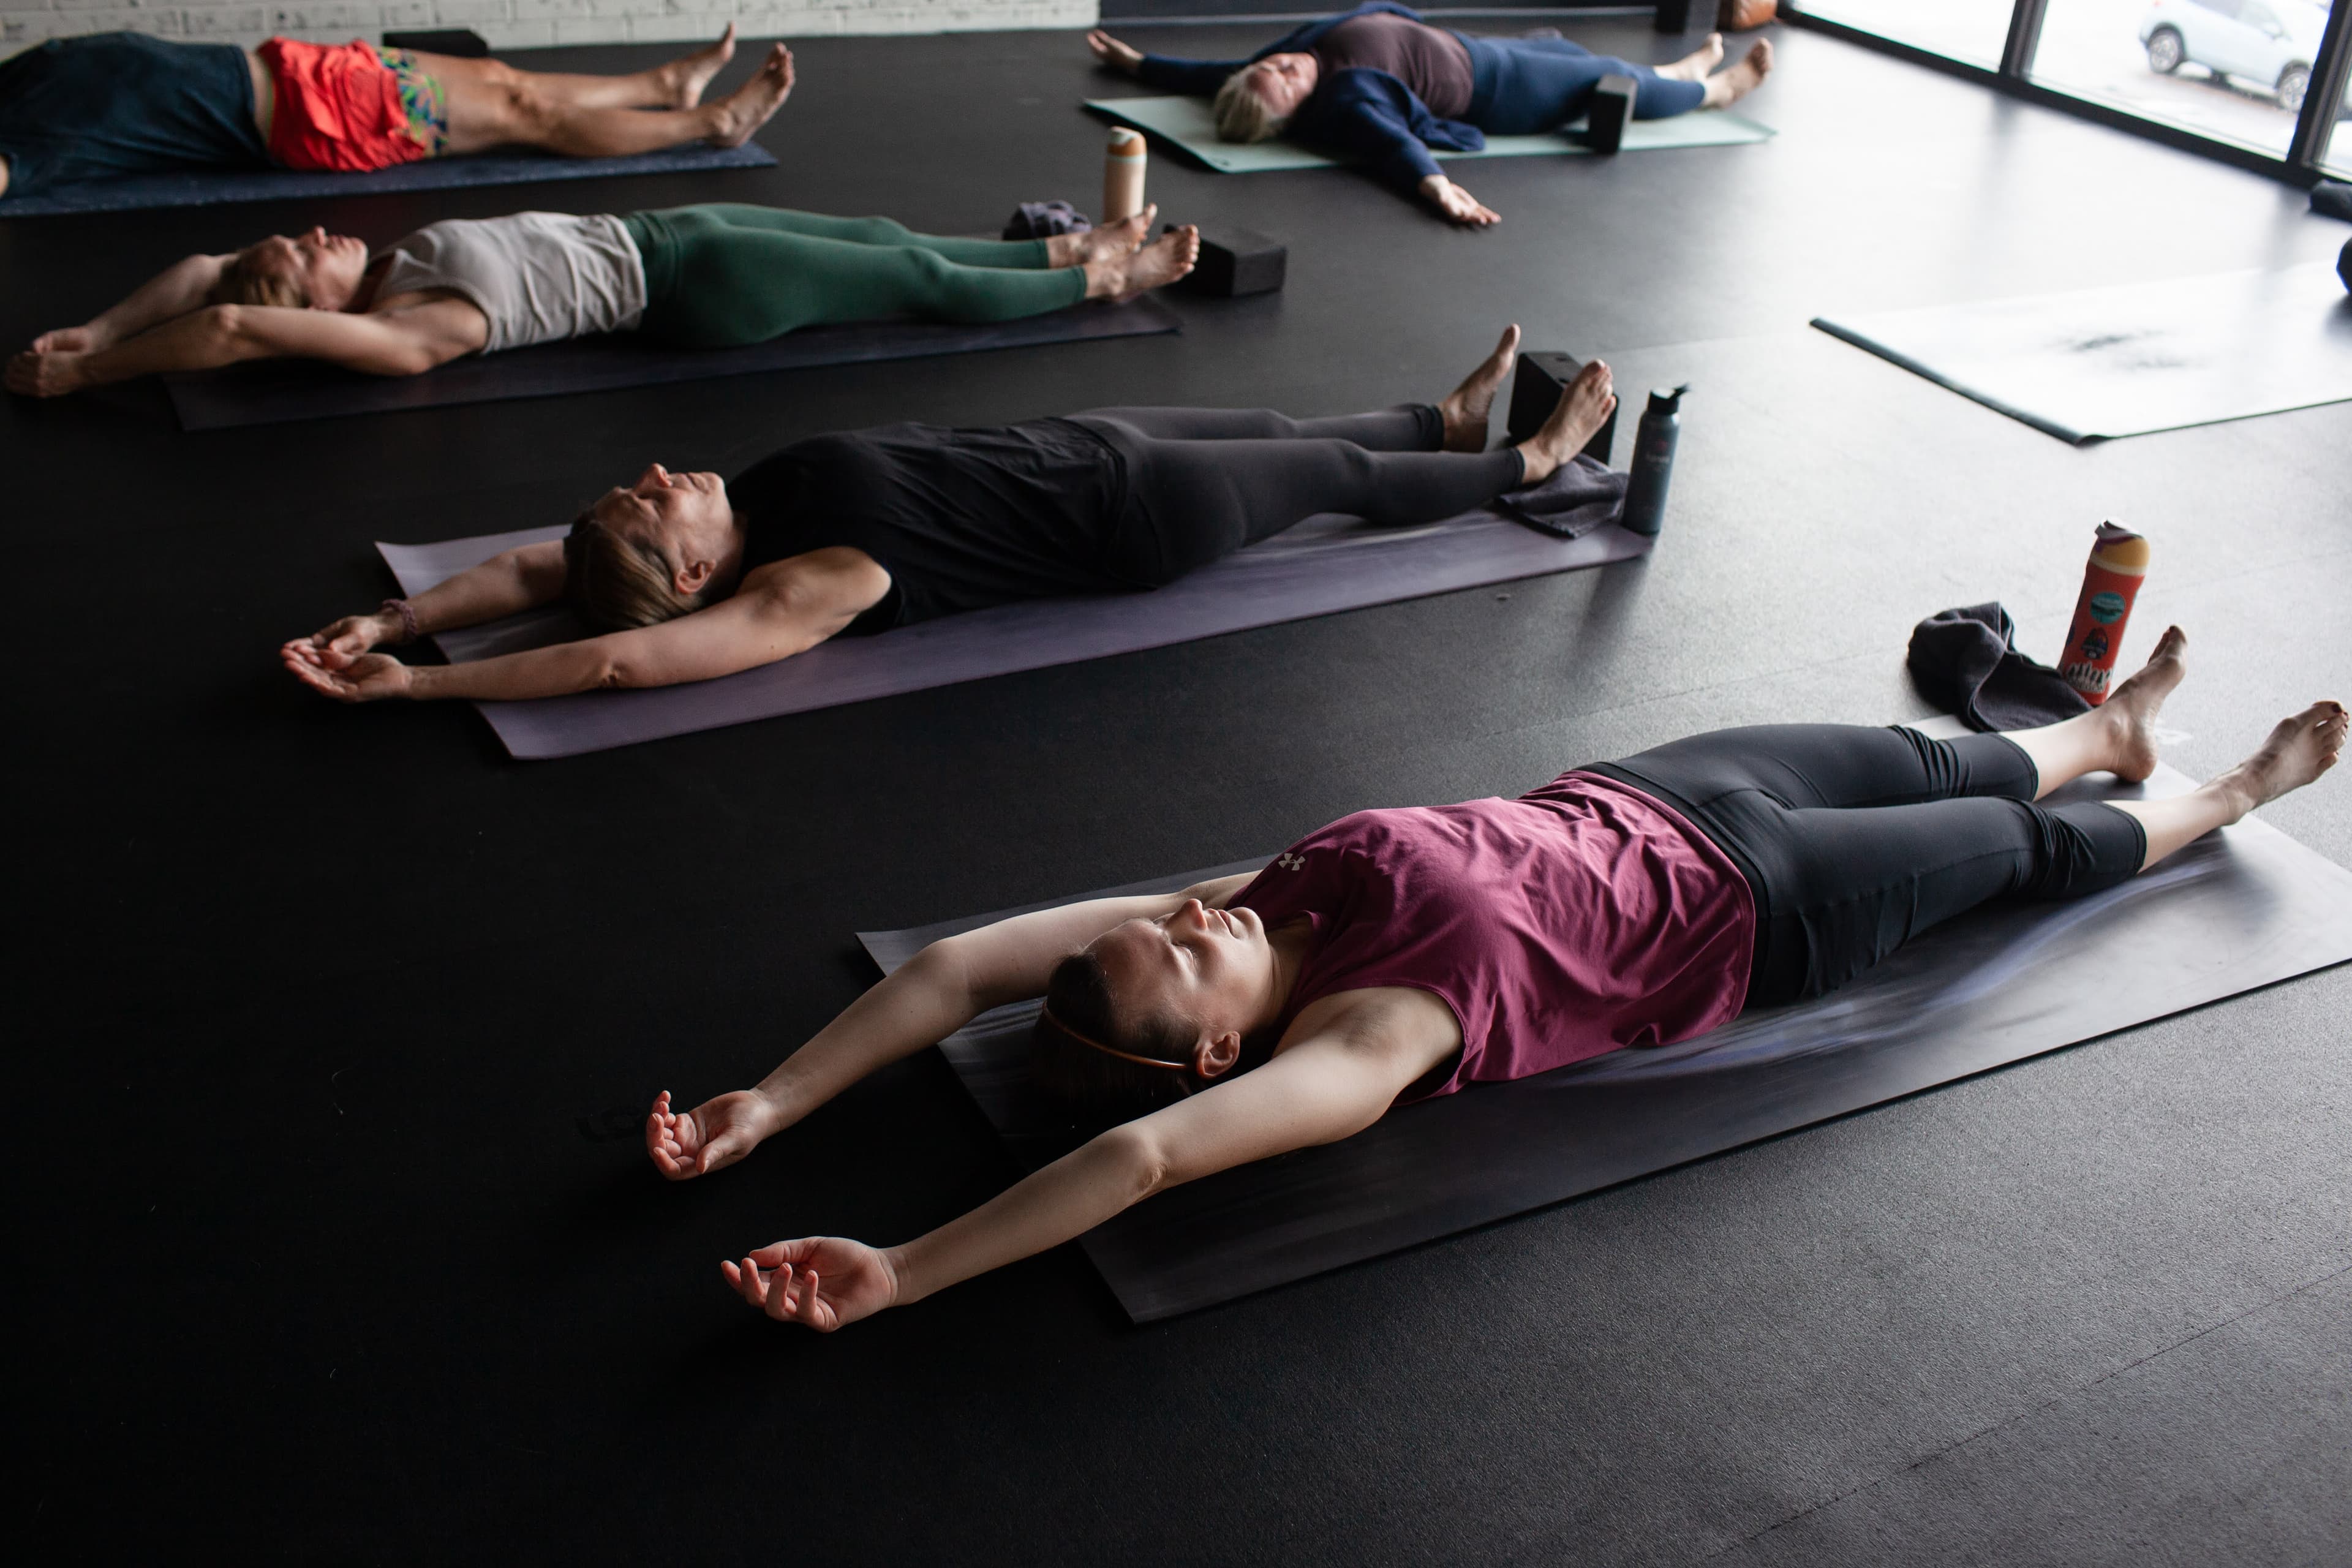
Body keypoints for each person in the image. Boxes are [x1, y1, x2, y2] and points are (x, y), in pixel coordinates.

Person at [639, 635, 2345, 1330]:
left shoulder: (1253, 907)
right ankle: (2218, 797)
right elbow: (1139, 1161)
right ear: (1220, 1047)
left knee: (1937, 753)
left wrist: (772, 1100)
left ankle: (2102, 732)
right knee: (2013, 851)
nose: (1182, 915)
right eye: (1179, 956)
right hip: (1761, 911)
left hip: (1665, 785)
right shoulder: (1364, 1041)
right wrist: (907, 1271)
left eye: (1163, 925)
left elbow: (951, 969)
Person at [277, 325, 1604, 705]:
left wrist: (400, 612)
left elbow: (536, 573)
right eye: (648, 506)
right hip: (1142, 515)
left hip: (1091, 443)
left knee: (1284, 430)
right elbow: (615, 650)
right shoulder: (806, 583)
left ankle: (1437, 421)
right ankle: (1531, 463)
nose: (662, 472)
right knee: (1337, 485)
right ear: (688, 577)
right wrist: (409, 690)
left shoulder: (747, 508)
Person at [5, 202, 1199, 396]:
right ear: (302, 302)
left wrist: (102, 321)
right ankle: (1104, 280)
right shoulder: (407, 326)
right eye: (301, 252)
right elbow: (224, 317)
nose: (322, 236)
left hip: (665, 230)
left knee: (885, 235)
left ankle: (1065, 251)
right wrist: (82, 376)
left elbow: (213, 276)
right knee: (917, 283)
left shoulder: (384, 265)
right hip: (694, 284)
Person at [1086, 3, 1773, 226]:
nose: (1279, 68)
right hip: (1500, 89)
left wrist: (1141, 66)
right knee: (1601, 81)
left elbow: (1214, 76)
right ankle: (1714, 92)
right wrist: (1437, 186)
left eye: (1269, 69)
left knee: (1575, 53)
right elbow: (1390, 144)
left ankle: (1676, 71)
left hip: (1477, 49)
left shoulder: (1298, 57)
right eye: (1280, 84)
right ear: (1291, 117)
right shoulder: (1347, 99)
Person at [0, 25, 791, 202]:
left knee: (497, 74)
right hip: (312, 116)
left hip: (299, 75)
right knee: (524, 112)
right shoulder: (23, 141)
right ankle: (709, 126)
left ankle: (660, 86)